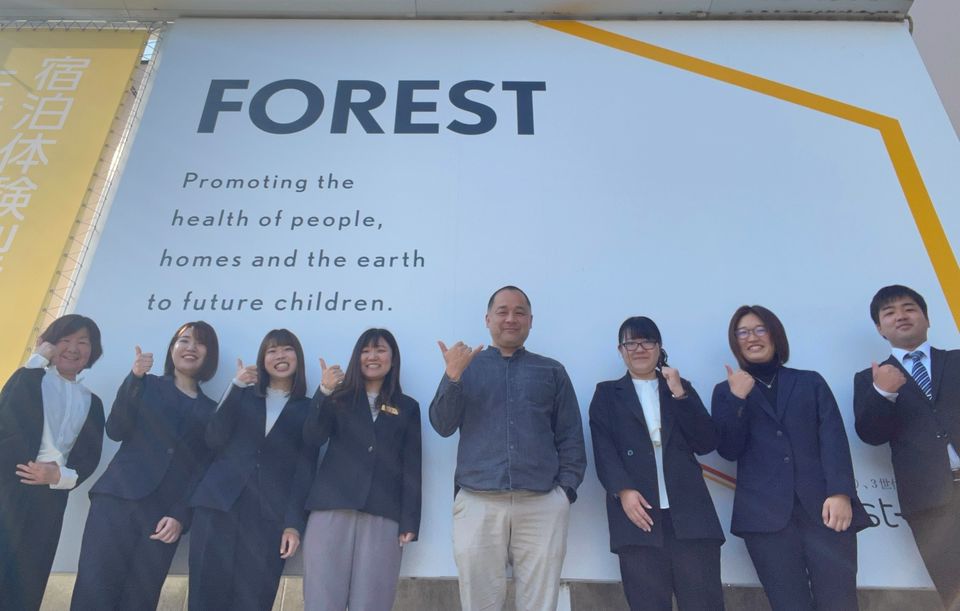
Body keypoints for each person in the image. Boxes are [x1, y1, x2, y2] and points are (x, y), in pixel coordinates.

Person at [430, 285, 587, 611]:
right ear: (488, 319)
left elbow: (571, 436)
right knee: (480, 604)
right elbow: (442, 425)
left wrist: (565, 493)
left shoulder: (552, 371)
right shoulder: (466, 368)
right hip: (478, 501)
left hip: (542, 503)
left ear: (531, 320)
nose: (511, 319)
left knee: (539, 604)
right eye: (502, 311)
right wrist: (452, 376)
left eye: (520, 312)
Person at [712, 305, 870, 611]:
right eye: (742, 332)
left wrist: (840, 493)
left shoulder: (810, 381)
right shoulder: (726, 391)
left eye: (760, 329)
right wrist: (737, 399)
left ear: (775, 335)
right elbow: (728, 449)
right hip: (765, 519)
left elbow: (834, 439)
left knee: (839, 602)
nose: (752, 337)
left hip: (825, 510)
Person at [70, 321, 219, 610]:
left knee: (140, 599)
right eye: (184, 340)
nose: (191, 347)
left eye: (200, 343)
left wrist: (180, 516)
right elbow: (116, 429)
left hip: (164, 517)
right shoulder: (146, 384)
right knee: (94, 591)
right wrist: (135, 378)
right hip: (117, 501)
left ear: (209, 354)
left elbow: (202, 470)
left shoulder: (212, 410)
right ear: (172, 348)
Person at [589, 316, 724, 611]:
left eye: (647, 341)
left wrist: (680, 394)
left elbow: (705, 442)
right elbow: (604, 449)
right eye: (631, 343)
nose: (639, 349)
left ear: (659, 347)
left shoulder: (679, 388)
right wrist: (623, 490)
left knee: (704, 603)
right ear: (620, 350)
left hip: (691, 517)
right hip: (639, 518)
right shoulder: (607, 394)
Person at [188, 329, 317, 611]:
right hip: (218, 506)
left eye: (287, 349)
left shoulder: (309, 409)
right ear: (262, 359)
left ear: (298, 357)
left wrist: (293, 524)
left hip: (268, 518)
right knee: (205, 596)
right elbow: (214, 438)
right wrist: (235, 386)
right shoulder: (243, 394)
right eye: (272, 350)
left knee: (254, 600)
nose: (280, 355)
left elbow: (305, 470)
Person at [853, 284, 960, 610]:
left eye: (909, 308)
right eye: (889, 312)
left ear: (927, 318)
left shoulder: (956, 361)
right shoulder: (868, 379)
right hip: (929, 502)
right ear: (879, 328)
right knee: (954, 589)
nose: (900, 315)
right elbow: (870, 434)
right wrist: (884, 393)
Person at [302, 328, 421, 611]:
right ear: (357, 358)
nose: (372, 357)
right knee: (321, 599)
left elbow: (412, 466)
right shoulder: (338, 397)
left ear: (393, 358)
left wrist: (409, 521)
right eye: (366, 351)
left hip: (382, 513)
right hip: (331, 509)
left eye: (380, 350)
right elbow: (312, 438)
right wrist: (324, 391)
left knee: (372, 601)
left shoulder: (407, 407)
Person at [0, 314, 105, 611]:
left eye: (82, 342)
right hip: (9, 487)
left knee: (29, 579)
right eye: (64, 340)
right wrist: (37, 360)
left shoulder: (92, 402)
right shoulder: (30, 378)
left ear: (92, 350)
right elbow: (6, 418)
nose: (73, 348)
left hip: (50, 498)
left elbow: (89, 455)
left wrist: (60, 476)